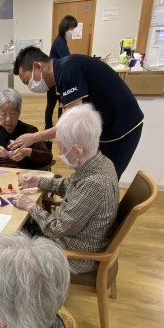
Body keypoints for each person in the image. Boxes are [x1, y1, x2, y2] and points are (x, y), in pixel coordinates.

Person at [14, 104, 119, 275]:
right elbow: (70, 184)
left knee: (13, 241)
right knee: (23, 228)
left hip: (76, 254)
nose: (60, 152)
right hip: (76, 237)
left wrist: (31, 206)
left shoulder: (94, 184)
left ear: (77, 151)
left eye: (62, 147)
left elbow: (57, 228)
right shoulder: (101, 162)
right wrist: (38, 182)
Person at [10, 45, 144, 179]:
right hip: (108, 126)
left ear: (38, 66)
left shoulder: (68, 70)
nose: (30, 86)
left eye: (27, 81)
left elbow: (69, 125)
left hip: (123, 127)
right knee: (92, 175)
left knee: (105, 179)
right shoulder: (62, 73)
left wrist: (34, 137)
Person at [0, 89, 52, 170]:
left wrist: (27, 152)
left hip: (23, 174)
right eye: (3, 114)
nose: (8, 119)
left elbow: (48, 157)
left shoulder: (29, 131)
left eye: (12, 113)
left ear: (19, 113)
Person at [46, 14, 78, 132]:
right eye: (72, 28)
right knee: (53, 103)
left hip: (55, 76)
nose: (72, 31)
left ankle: (56, 126)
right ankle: (49, 126)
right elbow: (68, 59)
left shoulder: (62, 40)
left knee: (56, 103)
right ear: (66, 27)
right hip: (54, 78)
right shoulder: (59, 41)